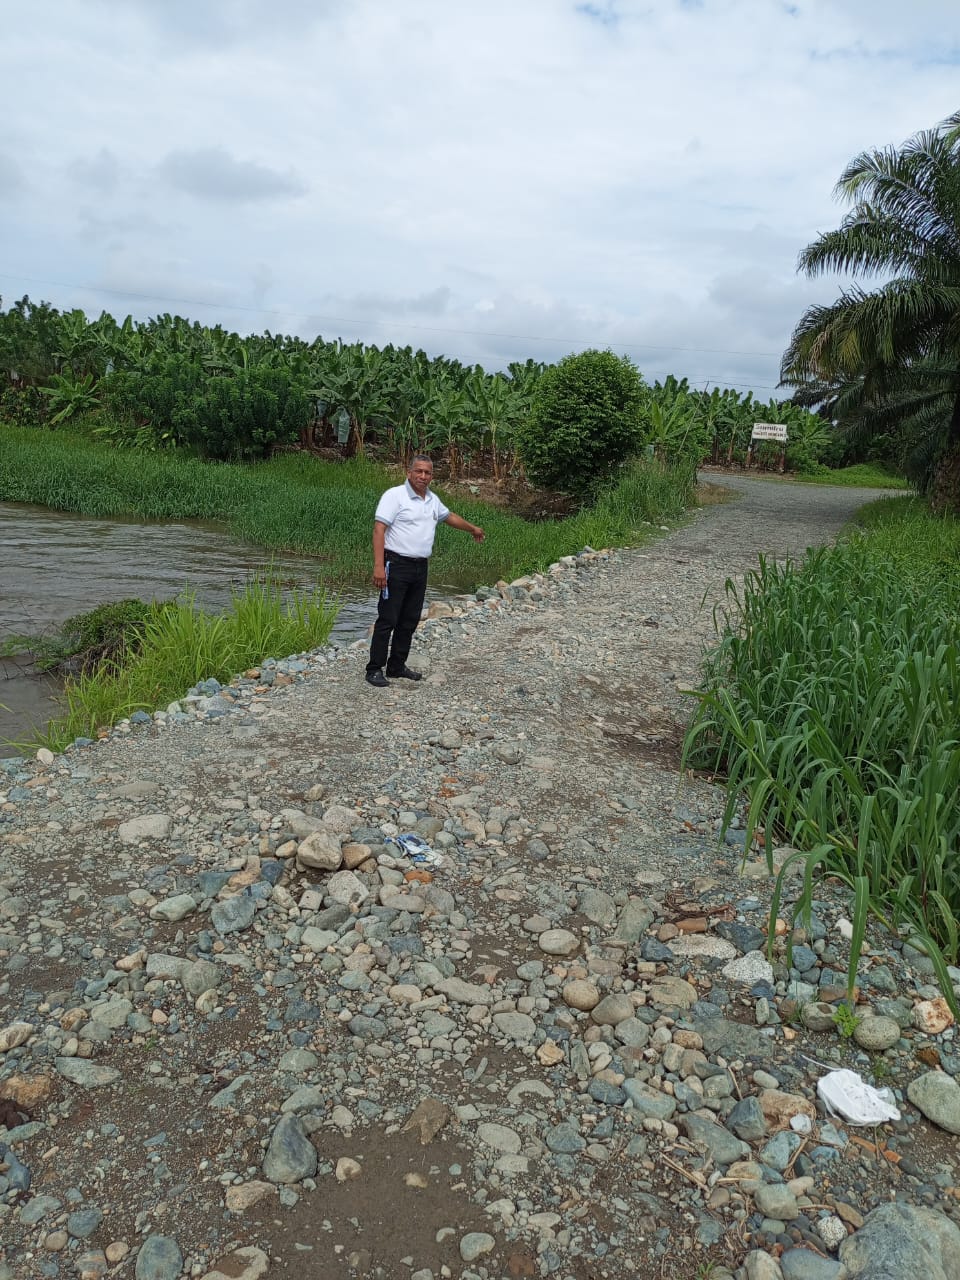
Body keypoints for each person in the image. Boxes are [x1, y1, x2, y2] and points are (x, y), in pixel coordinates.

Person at [365, 455, 484, 687]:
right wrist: (379, 567)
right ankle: (374, 669)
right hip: (395, 564)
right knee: (388, 618)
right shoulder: (395, 496)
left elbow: (449, 517)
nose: (423, 476)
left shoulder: (432, 499)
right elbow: (379, 529)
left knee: (409, 619)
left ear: (431, 476)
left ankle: (396, 666)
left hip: (420, 567)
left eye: (427, 472)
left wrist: (472, 529)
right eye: (418, 471)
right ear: (409, 472)